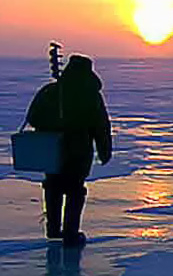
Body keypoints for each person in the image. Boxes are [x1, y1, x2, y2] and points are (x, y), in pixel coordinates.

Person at [26, 54, 112, 247]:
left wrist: (51, 126)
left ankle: (54, 229)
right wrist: (104, 150)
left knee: (54, 185)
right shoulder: (90, 96)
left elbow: (33, 117)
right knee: (74, 190)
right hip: (78, 152)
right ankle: (70, 233)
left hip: (52, 149)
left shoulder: (51, 91)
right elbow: (101, 126)